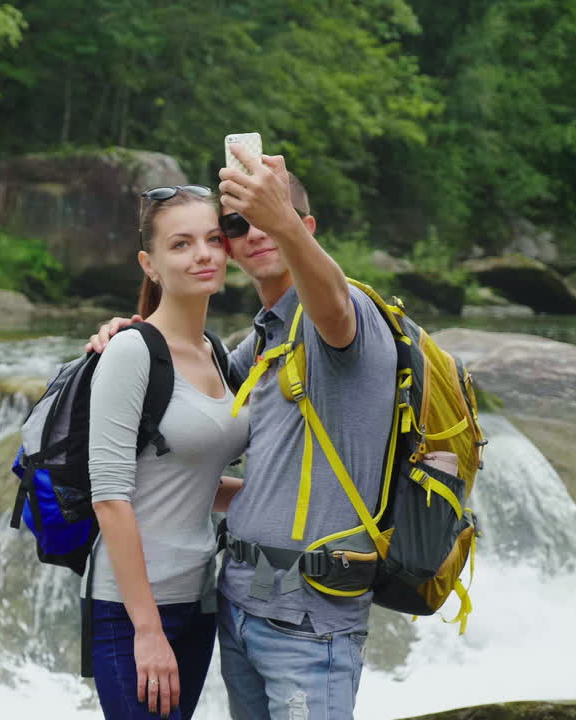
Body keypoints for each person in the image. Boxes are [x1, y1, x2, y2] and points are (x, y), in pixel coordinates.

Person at [88, 145, 397, 720]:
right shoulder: (254, 346)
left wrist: (278, 216)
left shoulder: (341, 312)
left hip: (308, 622)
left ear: (303, 226)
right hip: (237, 606)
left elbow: (330, 304)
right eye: (238, 225)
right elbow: (180, 455)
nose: (255, 234)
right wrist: (125, 336)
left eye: (273, 220)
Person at [87, 183, 250, 719]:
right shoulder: (131, 351)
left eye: (212, 239)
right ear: (149, 264)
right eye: (180, 244)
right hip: (133, 611)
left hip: (199, 599)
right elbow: (109, 497)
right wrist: (148, 630)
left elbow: (190, 482)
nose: (203, 254)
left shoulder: (218, 354)